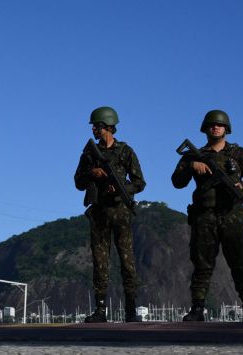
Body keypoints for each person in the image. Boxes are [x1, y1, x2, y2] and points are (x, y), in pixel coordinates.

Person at [172, 110, 243, 322]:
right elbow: (177, 181)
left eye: (219, 125)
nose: (216, 127)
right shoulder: (193, 155)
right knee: (202, 264)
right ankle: (197, 309)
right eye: (211, 125)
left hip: (233, 214)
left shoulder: (240, 154)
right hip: (205, 215)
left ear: (226, 129)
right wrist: (190, 165)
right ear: (205, 129)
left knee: (241, 262)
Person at [74, 106, 146, 323]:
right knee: (99, 262)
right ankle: (100, 310)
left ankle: (131, 310)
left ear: (106, 127)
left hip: (120, 212)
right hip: (99, 213)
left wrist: (123, 188)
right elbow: (78, 182)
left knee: (127, 261)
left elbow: (140, 182)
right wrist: (91, 173)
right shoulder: (90, 154)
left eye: (96, 126)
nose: (94, 130)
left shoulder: (125, 151)